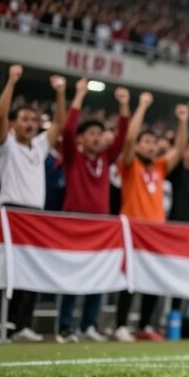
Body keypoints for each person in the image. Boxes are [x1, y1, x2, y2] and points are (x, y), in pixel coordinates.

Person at [56, 78, 130, 343]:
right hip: (75, 221)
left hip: (101, 224)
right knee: (72, 273)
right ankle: (65, 326)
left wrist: (124, 105)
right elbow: (66, 129)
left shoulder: (105, 159)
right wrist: (78, 95)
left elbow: (121, 138)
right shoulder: (72, 156)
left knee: (98, 274)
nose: (97, 138)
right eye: (91, 134)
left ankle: (89, 324)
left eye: (99, 134)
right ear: (81, 138)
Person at [0, 65, 66, 342]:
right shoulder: (6, 145)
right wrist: (11, 81)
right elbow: (0, 114)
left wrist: (60, 92)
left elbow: (59, 124)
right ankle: (2, 322)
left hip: (35, 214)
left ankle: (22, 325)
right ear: (13, 124)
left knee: (32, 271)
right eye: (23, 119)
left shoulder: (38, 146)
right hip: (10, 212)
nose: (29, 124)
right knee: (4, 270)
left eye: (33, 120)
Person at [112, 93, 188, 342]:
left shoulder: (159, 167)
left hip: (156, 230)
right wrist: (142, 106)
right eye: (145, 142)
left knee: (153, 279)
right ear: (137, 146)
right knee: (129, 279)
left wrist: (183, 122)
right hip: (132, 228)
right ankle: (121, 325)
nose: (150, 146)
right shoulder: (129, 165)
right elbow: (129, 137)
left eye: (153, 143)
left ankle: (145, 325)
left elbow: (180, 149)